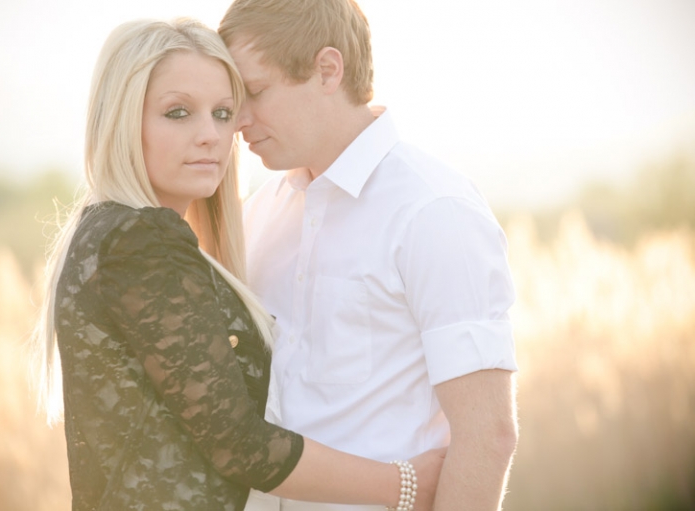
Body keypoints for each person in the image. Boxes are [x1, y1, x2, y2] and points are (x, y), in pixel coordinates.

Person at [30, 17, 444, 511]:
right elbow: (241, 446)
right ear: (122, 119)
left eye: (224, 112)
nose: (211, 135)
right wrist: (406, 485)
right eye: (178, 112)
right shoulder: (140, 242)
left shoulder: (112, 231)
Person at [218, 1, 519, 510]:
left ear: (327, 70)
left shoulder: (434, 211)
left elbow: (487, 435)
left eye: (255, 91)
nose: (238, 120)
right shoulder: (258, 214)